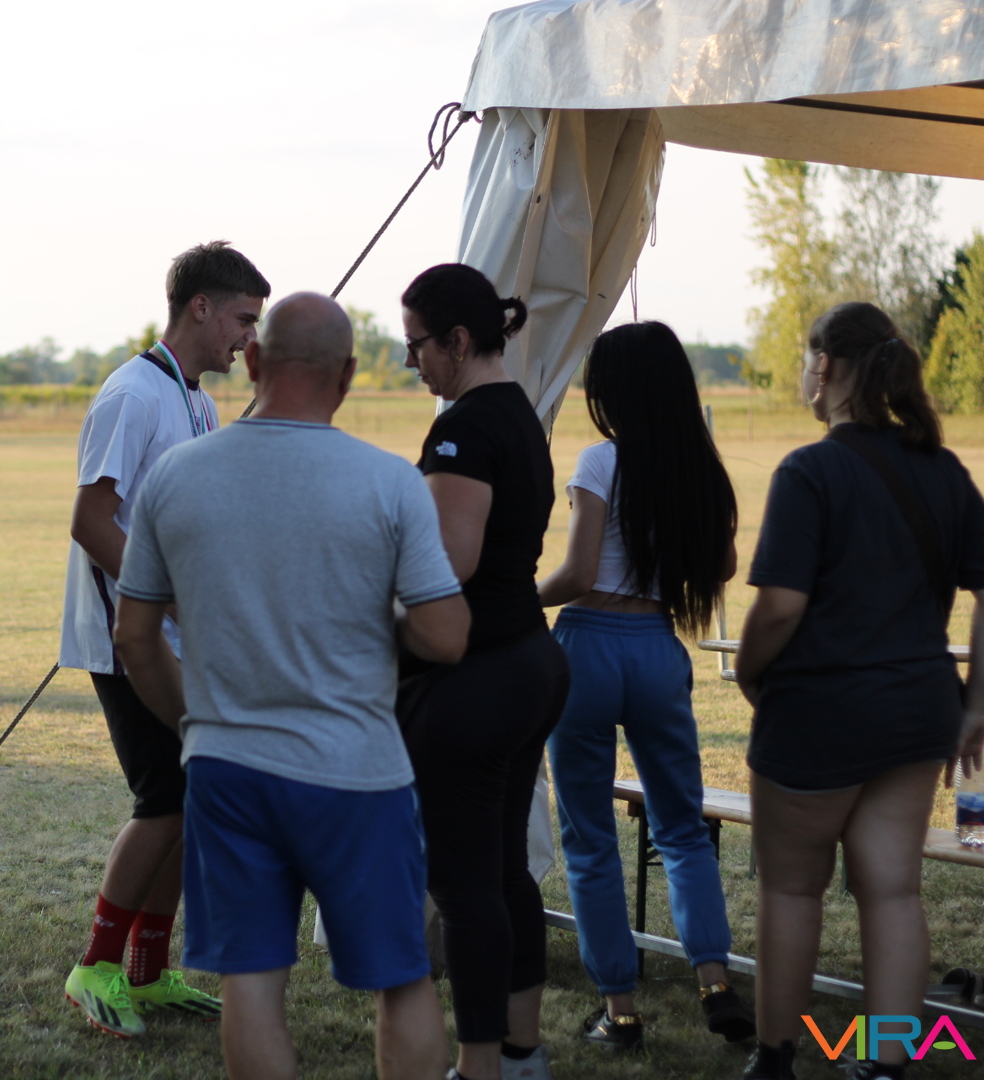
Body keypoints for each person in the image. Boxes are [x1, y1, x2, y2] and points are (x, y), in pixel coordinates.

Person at [113, 291, 471, 1080]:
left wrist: (193, 723)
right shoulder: (389, 482)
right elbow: (447, 636)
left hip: (228, 769)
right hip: (358, 771)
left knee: (252, 980)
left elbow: (133, 637)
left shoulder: (175, 476)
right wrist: (382, 614)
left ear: (253, 361)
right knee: (400, 976)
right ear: (348, 374)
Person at [735, 302, 984, 1080]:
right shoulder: (943, 470)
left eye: (805, 359)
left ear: (825, 366)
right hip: (918, 715)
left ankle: (776, 1060)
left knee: (792, 891)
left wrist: (747, 671)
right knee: (893, 893)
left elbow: (779, 607)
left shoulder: (809, 472)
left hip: (817, 718)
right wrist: (977, 704)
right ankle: (885, 1065)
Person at [59, 241, 269, 1037]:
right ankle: (95, 966)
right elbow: (90, 521)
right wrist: (166, 596)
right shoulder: (132, 393)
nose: (248, 338)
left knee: (192, 798)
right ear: (199, 307)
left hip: (180, 634)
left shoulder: (198, 402)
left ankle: (147, 974)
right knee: (164, 798)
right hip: (129, 638)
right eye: (242, 319)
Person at [537, 321, 753, 1051]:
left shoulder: (600, 461)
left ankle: (621, 1010)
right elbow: (722, 567)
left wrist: (518, 597)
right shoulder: (700, 469)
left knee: (590, 837)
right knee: (683, 829)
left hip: (589, 650)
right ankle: (715, 982)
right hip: (659, 651)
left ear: (614, 394)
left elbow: (576, 573)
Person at [396, 263, 569, 1080]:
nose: (412, 362)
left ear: (459, 341)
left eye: (417, 345)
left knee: (467, 886)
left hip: (477, 679)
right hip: (528, 661)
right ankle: (521, 1052)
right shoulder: (519, 414)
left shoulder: (462, 429)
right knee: (504, 871)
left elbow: (449, 563)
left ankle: (479, 1067)